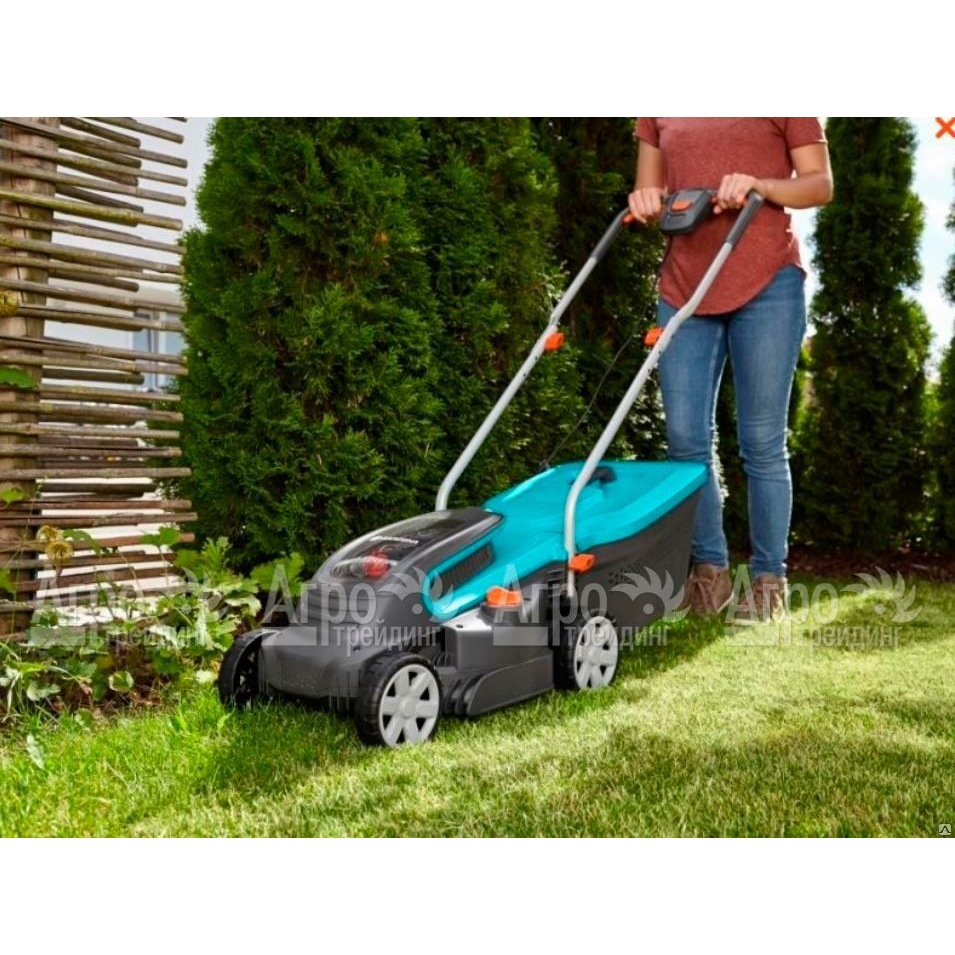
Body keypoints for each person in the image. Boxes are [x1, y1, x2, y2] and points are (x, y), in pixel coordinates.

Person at [628, 118, 833, 622]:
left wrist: (761, 185)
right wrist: (646, 200)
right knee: (685, 440)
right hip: (684, 285)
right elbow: (650, 190)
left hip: (767, 280)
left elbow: (819, 184)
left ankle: (768, 580)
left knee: (761, 439)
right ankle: (709, 575)